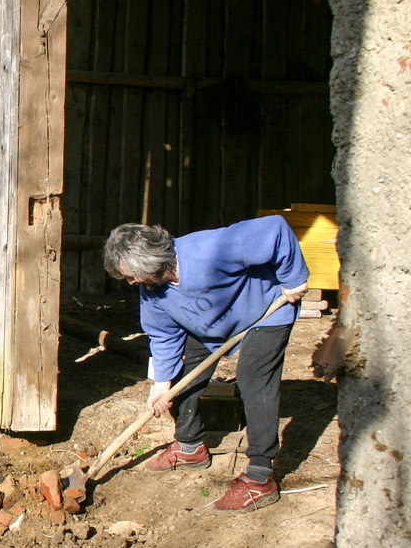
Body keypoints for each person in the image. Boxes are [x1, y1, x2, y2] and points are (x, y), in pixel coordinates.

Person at [103, 215, 309, 513]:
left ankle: (260, 477)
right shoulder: (152, 291)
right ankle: (190, 447)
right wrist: (161, 384)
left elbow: (276, 229)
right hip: (211, 324)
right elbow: (163, 334)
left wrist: (293, 278)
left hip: (265, 311)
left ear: (152, 260)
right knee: (178, 376)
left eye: (133, 275)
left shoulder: (211, 249)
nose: (132, 282)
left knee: (253, 378)